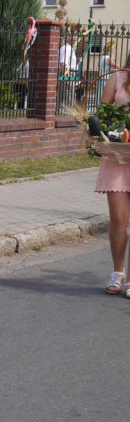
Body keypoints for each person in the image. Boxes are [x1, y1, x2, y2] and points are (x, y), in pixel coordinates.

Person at [95, 51, 130, 296]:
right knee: (118, 219)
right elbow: (101, 114)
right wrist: (103, 134)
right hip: (118, 157)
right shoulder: (117, 78)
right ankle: (118, 272)